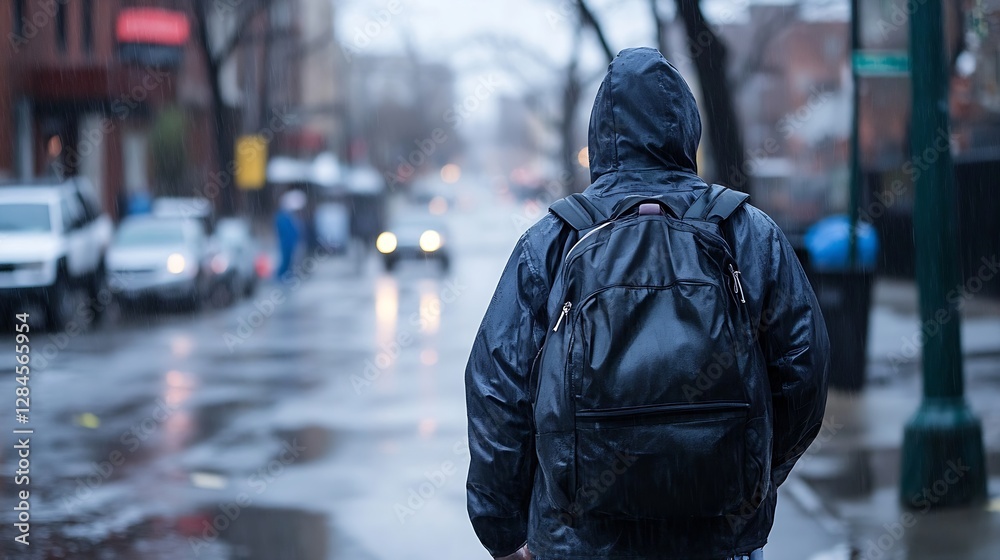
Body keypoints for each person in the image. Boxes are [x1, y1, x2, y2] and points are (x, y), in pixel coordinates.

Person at [465, 48, 830, 560]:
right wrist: (752, 475)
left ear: (599, 137)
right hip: (718, 536)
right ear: (686, 128)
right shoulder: (747, 231)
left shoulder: (552, 241)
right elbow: (804, 372)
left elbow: (497, 391)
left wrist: (503, 533)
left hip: (579, 540)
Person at [274, 189, 306, 280]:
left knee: (289, 260)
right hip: (286, 242)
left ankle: (286, 275)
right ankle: (281, 276)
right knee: (285, 260)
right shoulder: (282, 217)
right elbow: (285, 231)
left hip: (290, 242)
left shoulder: (288, 216)